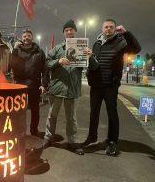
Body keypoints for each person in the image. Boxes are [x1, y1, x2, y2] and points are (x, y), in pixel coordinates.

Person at [82, 19, 141, 156]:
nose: (108, 29)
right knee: (93, 113)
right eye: (105, 27)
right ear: (102, 29)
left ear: (115, 28)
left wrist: (126, 33)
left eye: (111, 27)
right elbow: (94, 62)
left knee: (112, 114)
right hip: (96, 86)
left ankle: (112, 141)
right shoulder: (96, 44)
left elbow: (136, 49)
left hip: (110, 85)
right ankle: (92, 137)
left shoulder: (120, 42)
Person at [43, 20, 91, 155]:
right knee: (52, 115)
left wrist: (89, 56)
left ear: (75, 31)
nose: (69, 32)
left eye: (71, 29)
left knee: (71, 118)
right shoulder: (57, 49)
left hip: (72, 88)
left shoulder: (82, 48)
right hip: (57, 88)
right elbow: (46, 63)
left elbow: (88, 67)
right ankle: (48, 138)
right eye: (66, 30)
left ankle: (72, 141)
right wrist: (58, 61)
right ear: (63, 33)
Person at [10, 29, 48, 135]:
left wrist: (44, 84)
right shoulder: (17, 50)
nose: (26, 38)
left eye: (28, 36)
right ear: (21, 38)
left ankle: (34, 131)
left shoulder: (39, 52)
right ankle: (19, 131)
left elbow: (45, 69)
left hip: (34, 85)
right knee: (18, 111)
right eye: (24, 36)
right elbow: (11, 65)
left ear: (32, 37)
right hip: (19, 86)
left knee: (35, 111)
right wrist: (14, 50)